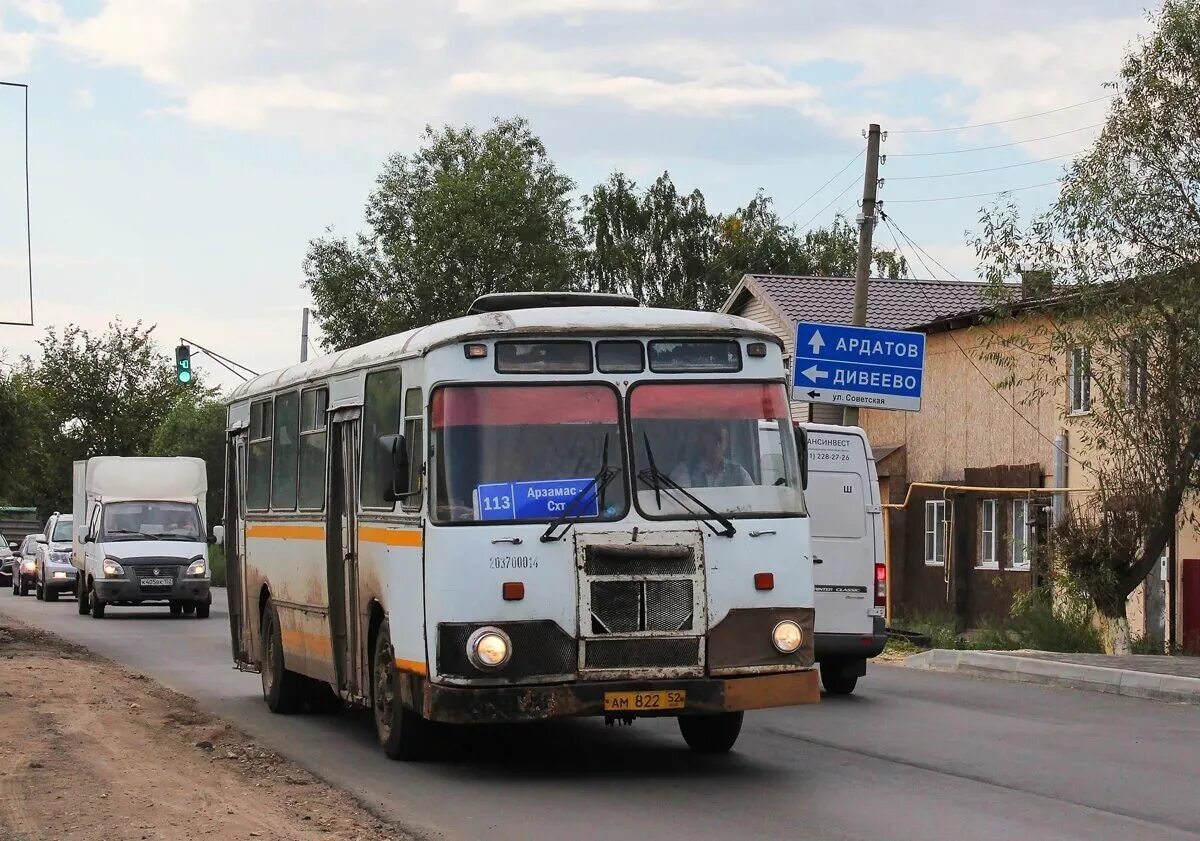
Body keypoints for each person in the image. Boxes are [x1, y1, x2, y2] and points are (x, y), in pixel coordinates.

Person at [672, 422, 753, 488]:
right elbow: (682, 504)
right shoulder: (685, 471)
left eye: (720, 440)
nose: (717, 444)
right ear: (702, 441)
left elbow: (753, 499)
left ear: (726, 444)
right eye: (713, 439)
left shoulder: (738, 472)